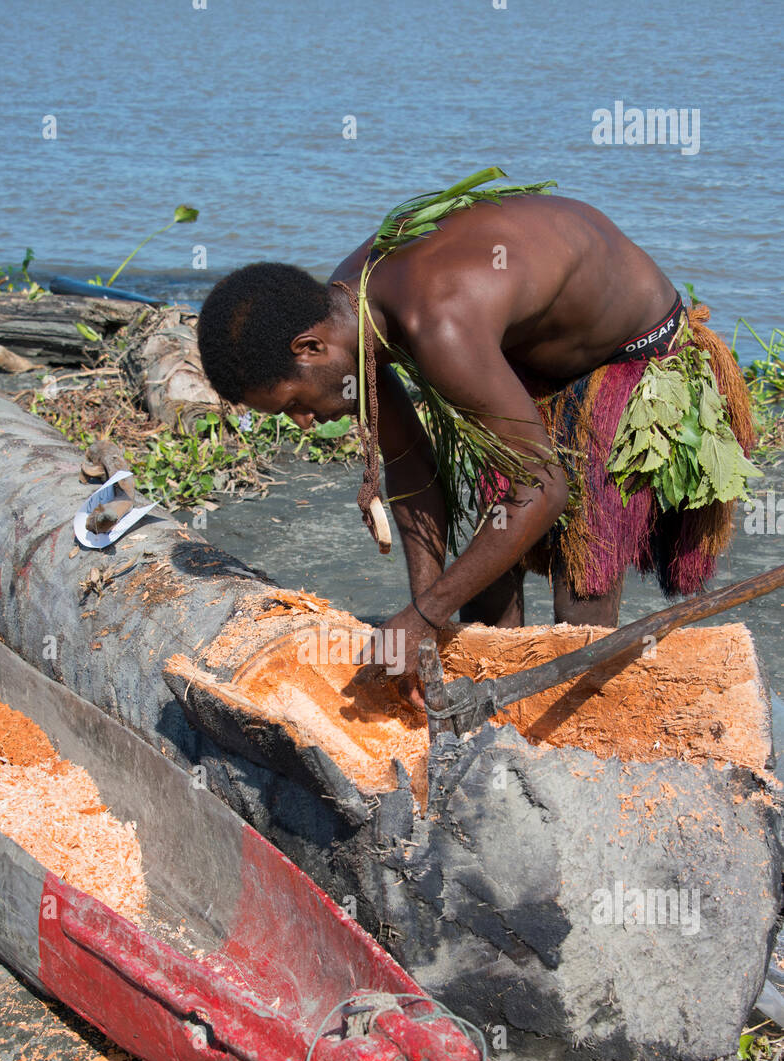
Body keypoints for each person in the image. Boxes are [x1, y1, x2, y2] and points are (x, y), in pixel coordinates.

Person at [196, 173, 757, 703]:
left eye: (293, 403)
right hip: (527, 352)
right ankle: (488, 697)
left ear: (310, 348)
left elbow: (543, 485)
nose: (302, 422)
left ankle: (579, 715)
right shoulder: (348, 315)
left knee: (578, 576)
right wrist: (425, 606)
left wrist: (425, 614)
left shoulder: (436, 318)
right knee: (487, 569)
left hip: (628, 350)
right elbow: (412, 466)